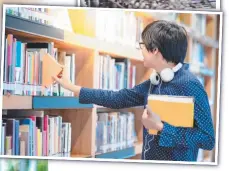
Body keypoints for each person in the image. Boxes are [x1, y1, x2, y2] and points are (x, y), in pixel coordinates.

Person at [52, 20, 215, 161]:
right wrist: (71, 87)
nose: (140, 50)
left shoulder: (191, 85)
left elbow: (207, 140)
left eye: (142, 46)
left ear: (155, 49)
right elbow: (117, 98)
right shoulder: (154, 82)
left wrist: (161, 127)